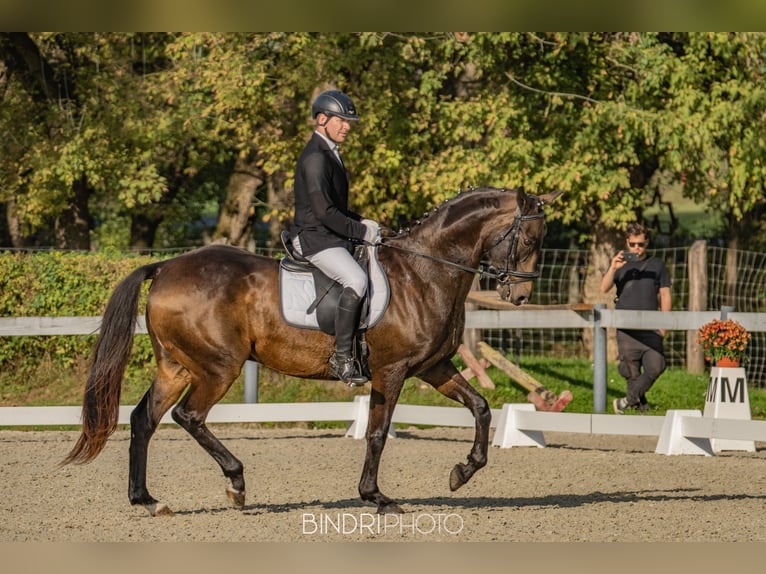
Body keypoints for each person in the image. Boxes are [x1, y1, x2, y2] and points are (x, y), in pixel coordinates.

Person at [289, 89, 381, 386]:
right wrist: (361, 232)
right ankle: (342, 358)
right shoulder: (315, 157)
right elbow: (325, 212)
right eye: (341, 120)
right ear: (322, 119)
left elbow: (338, 209)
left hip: (329, 235)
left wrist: (363, 221)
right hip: (316, 238)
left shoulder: (329, 153)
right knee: (357, 280)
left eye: (348, 121)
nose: (347, 126)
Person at [600, 222, 671, 414]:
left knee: (657, 365)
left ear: (647, 242)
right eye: (632, 244)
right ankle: (640, 408)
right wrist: (613, 267)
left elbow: (665, 294)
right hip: (626, 328)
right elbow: (603, 288)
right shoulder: (621, 264)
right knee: (631, 372)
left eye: (640, 244)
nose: (636, 248)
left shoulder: (657, 265)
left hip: (651, 328)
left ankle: (625, 402)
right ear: (627, 243)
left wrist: (665, 324)